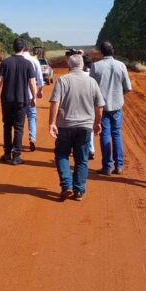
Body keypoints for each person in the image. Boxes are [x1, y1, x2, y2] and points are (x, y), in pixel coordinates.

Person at [49, 53, 105, 201]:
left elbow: (55, 102)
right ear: (83, 65)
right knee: (81, 159)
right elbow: (99, 106)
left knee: (61, 154)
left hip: (65, 125)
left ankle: (67, 185)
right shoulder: (92, 82)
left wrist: (52, 123)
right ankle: (78, 190)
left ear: (69, 65)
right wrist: (97, 123)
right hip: (85, 127)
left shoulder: (62, 80)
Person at [89, 41, 132, 175]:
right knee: (117, 135)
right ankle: (119, 166)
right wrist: (118, 95)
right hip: (117, 107)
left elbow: (91, 88)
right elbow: (128, 88)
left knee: (104, 135)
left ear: (101, 52)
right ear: (112, 51)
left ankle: (107, 167)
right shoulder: (121, 65)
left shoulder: (95, 66)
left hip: (102, 108)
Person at [0, 37, 37, 165]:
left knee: (7, 126)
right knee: (19, 127)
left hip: (7, 99)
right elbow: (32, 82)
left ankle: (7, 154)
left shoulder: (5, 63)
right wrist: (34, 97)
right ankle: (16, 156)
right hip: (21, 100)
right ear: (23, 48)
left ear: (13, 47)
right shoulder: (28, 64)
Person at [22, 44, 44, 151]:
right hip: (31, 95)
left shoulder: (15, 60)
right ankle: (32, 139)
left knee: (19, 120)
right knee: (31, 117)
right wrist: (39, 91)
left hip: (19, 96)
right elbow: (39, 78)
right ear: (29, 49)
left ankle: (18, 140)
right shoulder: (34, 61)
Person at [82, 53, 96, 160]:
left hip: (80, 104)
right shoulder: (93, 75)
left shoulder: (79, 74)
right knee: (89, 127)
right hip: (91, 104)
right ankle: (90, 149)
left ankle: (84, 149)